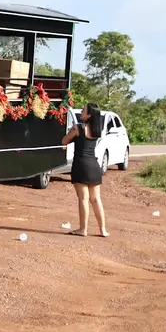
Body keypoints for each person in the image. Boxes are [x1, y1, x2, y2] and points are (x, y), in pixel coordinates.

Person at [61, 102, 108, 237]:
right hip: (94, 166)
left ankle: (83, 229)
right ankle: (102, 229)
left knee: (83, 199)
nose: (81, 112)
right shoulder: (97, 130)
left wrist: (71, 132)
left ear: (89, 115)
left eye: (83, 110)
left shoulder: (78, 128)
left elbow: (64, 141)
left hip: (81, 165)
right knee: (96, 199)